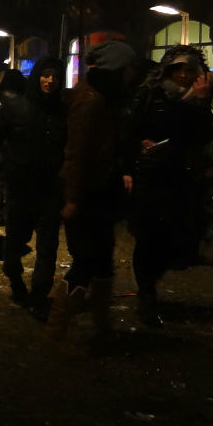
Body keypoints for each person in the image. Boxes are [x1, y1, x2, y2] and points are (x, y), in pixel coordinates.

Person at [51, 37, 139, 347]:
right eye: (128, 68)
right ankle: (58, 327)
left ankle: (100, 326)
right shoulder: (92, 101)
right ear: (117, 69)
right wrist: (73, 198)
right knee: (87, 260)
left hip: (101, 191)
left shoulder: (108, 97)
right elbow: (77, 153)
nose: (132, 74)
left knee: (101, 261)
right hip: (88, 194)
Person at [126, 46, 213, 327]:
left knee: (177, 238)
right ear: (169, 70)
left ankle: (151, 282)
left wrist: (200, 104)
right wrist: (137, 149)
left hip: (182, 180)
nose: (185, 75)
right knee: (148, 236)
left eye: (191, 70)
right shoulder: (152, 93)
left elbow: (202, 136)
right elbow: (130, 128)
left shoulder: (199, 100)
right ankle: (147, 293)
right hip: (151, 176)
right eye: (180, 69)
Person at [0, 58, 67, 320]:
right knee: (14, 245)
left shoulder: (63, 110)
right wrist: (4, 165)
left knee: (48, 247)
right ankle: (16, 281)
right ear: (38, 77)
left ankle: (39, 296)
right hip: (20, 187)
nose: (50, 81)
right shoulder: (17, 106)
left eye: (55, 76)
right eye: (46, 75)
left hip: (50, 189)